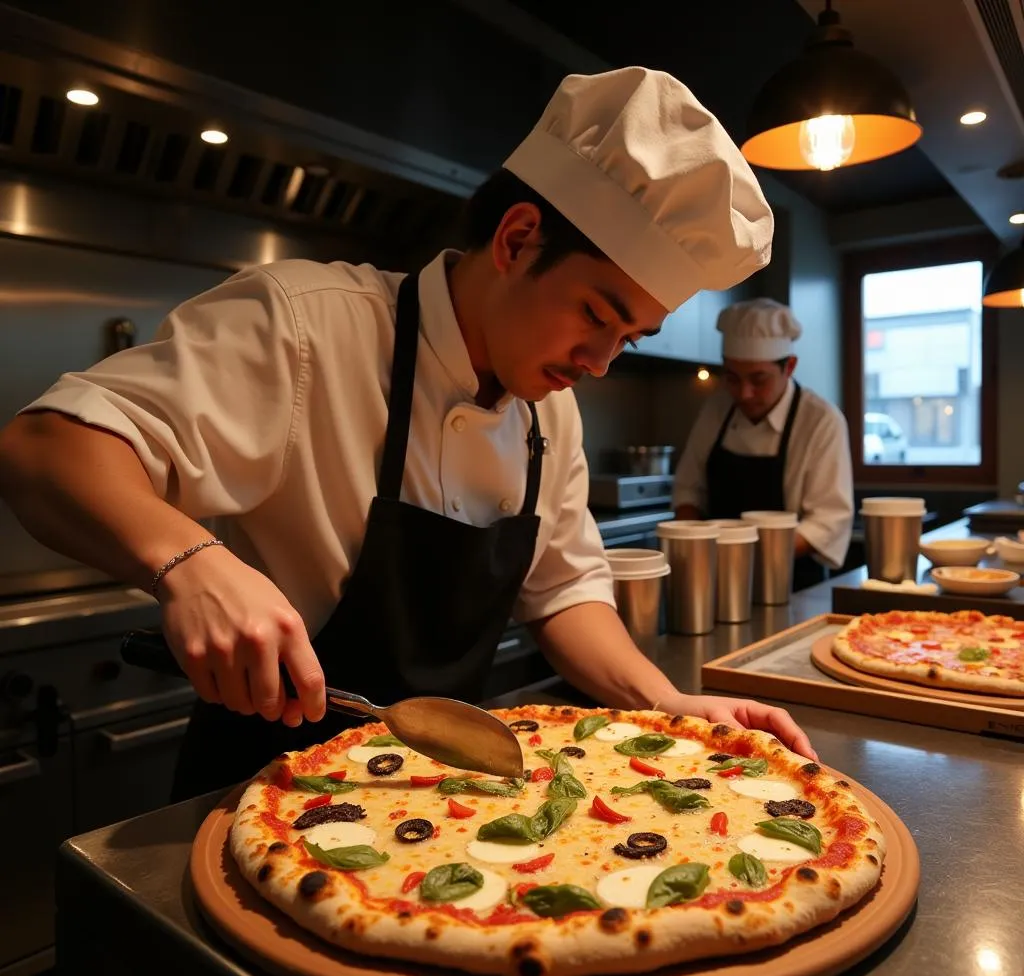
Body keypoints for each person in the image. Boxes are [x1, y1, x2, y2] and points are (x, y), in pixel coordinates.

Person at [0, 67, 817, 801]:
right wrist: (188, 561)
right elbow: (44, 449)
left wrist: (666, 705)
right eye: (597, 315)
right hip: (263, 788)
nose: (601, 361)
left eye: (628, 337)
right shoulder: (305, 326)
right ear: (516, 238)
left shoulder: (548, 410)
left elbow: (563, 590)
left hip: (437, 795)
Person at [672, 298, 854, 589]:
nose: (743, 394)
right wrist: (692, 544)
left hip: (792, 582)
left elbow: (827, 521)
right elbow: (688, 490)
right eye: (732, 378)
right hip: (714, 578)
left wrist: (748, 558)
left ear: (789, 367)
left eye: (759, 379)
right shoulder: (716, 409)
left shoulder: (821, 420)